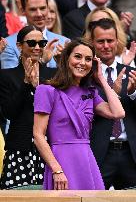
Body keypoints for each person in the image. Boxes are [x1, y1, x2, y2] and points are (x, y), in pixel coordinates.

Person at [33, 38, 125, 190]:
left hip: (86, 161)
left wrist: (101, 78)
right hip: (60, 161)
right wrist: (56, 169)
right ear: (66, 58)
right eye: (77, 56)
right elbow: (38, 135)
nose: (82, 62)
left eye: (88, 59)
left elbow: (118, 112)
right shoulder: (46, 91)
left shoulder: (91, 93)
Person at [0, 25, 57, 189]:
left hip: (49, 148)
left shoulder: (53, 75)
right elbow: (9, 113)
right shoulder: (6, 75)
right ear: (19, 46)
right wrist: (26, 83)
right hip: (20, 149)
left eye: (41, 43)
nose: (37, 47)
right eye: (32, 43)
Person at [88, 18, 136, 189]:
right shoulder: (85, 77)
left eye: (110, 40)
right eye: (100, 41)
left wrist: (132, 93)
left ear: (117, 42)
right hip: (100, 151)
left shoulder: (132, 73)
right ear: (92, 43)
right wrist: (112, 93)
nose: (106, 46)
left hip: (130, 152)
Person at [0, 0, 69, 69]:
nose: (39, 14)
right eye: (33, 9)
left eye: (42, 8)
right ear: (23, 10)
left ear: (48, 8)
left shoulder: (63, 42)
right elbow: (10, 78)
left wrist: (61, 64)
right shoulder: (9, 44)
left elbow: (70, 78)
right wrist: (42, 61)